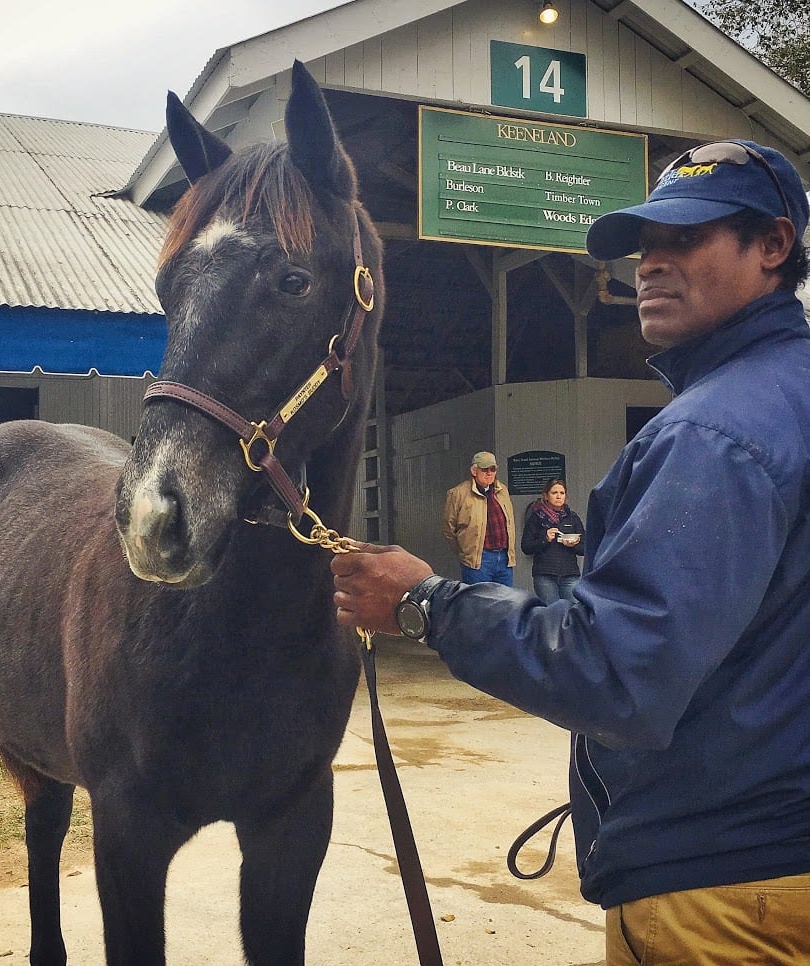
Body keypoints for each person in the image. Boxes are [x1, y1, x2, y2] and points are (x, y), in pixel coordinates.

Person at [331, 139, 810, 964]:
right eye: (645, 246)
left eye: (686, 239)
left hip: (723, 887)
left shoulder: (711, 435)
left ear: (773, 246)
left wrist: (424, 603)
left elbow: (620, 673)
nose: (650, 266)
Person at [441, 451, 516, 586]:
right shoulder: (458, 493)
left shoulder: (502, 490)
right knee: (479, 603)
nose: (489, 473)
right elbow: (449, 529)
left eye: (492, 469)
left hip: (504, 558)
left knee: (506, 603)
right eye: (485, 469)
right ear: (474, 471)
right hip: (479, 559)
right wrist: (466, 551)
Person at [520, 477, 585, 603]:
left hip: (570, 574)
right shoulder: (536, 517)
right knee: (551, 614)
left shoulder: (572, 517)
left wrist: (573, 544)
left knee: (573, 612)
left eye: (562, 493)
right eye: (554, 493)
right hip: (545, 575)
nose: (558, 496)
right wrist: (545, 539)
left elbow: (584, 547)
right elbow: (526, 547)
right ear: (546, 496)